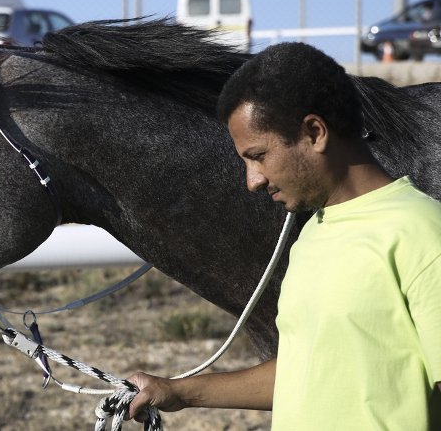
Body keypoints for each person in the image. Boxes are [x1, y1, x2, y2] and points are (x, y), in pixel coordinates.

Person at [126, 42, 441, 429]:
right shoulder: (314, 233)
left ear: (314, 132)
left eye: (258, 156)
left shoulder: (422, 234)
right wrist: (179, 391)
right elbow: (306, 370)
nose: (253, 181)